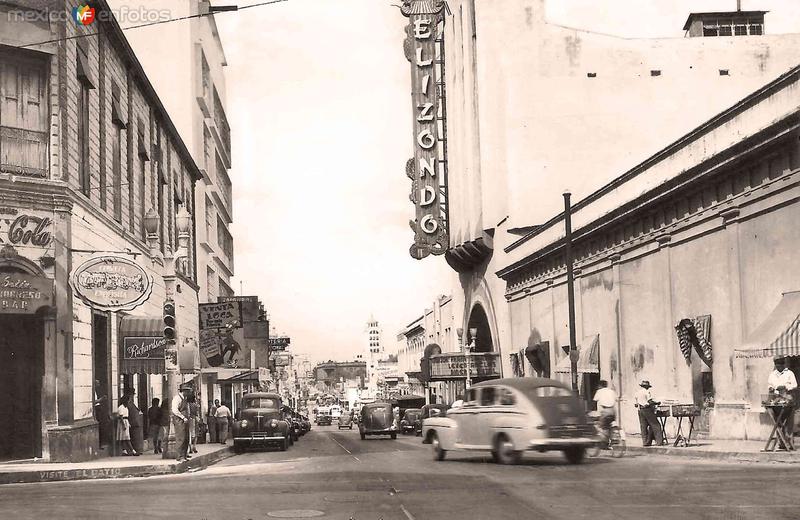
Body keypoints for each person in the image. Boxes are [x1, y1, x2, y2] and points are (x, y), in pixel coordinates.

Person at [767, 357, 797, 439]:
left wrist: (785, 387)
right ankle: (780, 441)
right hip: (776, 399)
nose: (779, 367)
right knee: (778, 421)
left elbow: (795, 385)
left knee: (789, 421)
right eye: (777, 366)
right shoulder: (772, 374)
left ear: (783, 364)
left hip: (787, 398)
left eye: (780, 365)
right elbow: (770, 384)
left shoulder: (789, 373)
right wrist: (771, 388)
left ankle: (789, 441)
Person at [634, 380, 663, 447]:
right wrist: (657, 403)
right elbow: (650, 401)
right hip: (647, 409)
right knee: (655, 425)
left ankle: (646, 442)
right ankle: (659, 442)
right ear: (647, 387)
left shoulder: (637, 393)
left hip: (640, 410)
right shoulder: (647, 392)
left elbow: (635, 404)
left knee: (643, 426)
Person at [171, 384, 193, 462]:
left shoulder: (184, 399)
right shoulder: (177, 398)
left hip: (185, 420)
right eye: (187, 391)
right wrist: (182, 417)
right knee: (181, 438)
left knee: (186, 438)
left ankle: (184, 455)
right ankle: (179, 456)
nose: (188, 393)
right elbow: (174, 410)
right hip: (179, 420)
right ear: (183, 391)